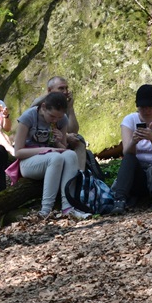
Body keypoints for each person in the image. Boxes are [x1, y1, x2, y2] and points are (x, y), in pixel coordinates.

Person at [12, 91, 91, 220]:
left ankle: (68, 207)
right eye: (52, 116)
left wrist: (58, 141)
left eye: (59, 117)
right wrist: (47, 150)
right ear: (44, 107)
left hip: (52, 158)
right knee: (55, 157)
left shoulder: (62, 120)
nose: (55, 120)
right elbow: (18, 152)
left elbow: (63, 149)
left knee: (71, 154)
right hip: (28, 162)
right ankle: (46, 210)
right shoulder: (29, 116)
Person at [110, 84, 152, 213]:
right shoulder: (129, 120)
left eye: (150, 107)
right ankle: (119, 200)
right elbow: (126, 151)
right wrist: (134, 141)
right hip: (139, 175)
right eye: (142, 108)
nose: (147, 111)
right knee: (129, 158)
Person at [32, 76, 87, 170]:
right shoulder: (41, 104)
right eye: (61, 88)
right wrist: (66, 136)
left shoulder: (63, 105)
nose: (65, 92)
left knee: (79, 140)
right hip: (40, 141)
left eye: (66, 88)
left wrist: (70, 108)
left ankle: (79, 173)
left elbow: (73, 130)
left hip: (59, 140)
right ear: (49, 90)